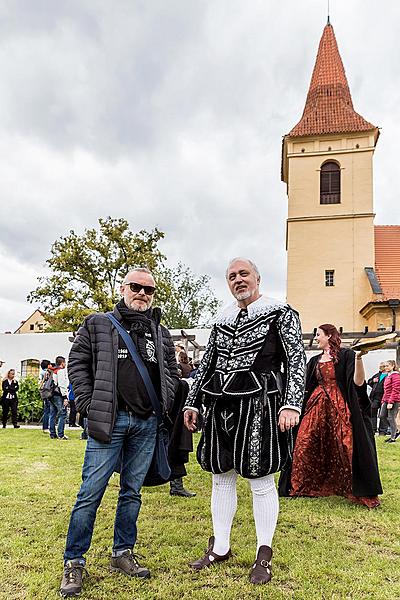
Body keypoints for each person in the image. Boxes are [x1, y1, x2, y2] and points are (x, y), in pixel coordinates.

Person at [184, 258, 306, 585]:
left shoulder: (280, 312)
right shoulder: (221, 320)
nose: (238, 280)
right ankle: (220, 546)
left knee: (260, 478)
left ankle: (263, 553)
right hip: (220, 404)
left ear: (257, 278)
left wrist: (291, 403)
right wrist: (192, 401)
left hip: (261, 403)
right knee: (220, 476)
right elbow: (206, 363)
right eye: (232, 276)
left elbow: (296, 360)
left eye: (243, 274)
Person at [60, 268, 179, 597]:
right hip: (109, 423)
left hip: (146, 423)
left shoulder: (159, 331)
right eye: (136, 287)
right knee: (90, 494)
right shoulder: (97, 323)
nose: (142, 293)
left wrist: (165, 405)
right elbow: (78, 363)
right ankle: (74, 562)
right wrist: (86, 402)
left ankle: (122, 553)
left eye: (149, 290)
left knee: (132, 494)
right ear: (123, 288)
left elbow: (169, 370)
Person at [279, 324, 383, 508]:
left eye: (318, 334)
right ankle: (302, 485)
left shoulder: (347, 355)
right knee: (304, 441)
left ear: (329, 335)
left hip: (339, 405)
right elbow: (303, 384)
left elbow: (358, 383)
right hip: (315, 406)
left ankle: (354, 489)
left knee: (346, 444)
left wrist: (359, 358)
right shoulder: (314, 361)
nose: (316, 338)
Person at [49, 356, 69, 440]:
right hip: (58, 395)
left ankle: (52, 433)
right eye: (65, 362)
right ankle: (61, 434)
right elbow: (62, 385)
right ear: (62, 363)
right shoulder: (60, 371)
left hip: (52, 394)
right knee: (63, 413)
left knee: (53, 414)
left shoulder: (53, 371)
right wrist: (65, 397)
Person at [380, 360, 400, 443]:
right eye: (385, 366)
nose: (386, 367)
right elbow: (386, 390)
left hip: (394, 400)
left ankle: (393, 438)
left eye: (388, 365)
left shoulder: (395, 375)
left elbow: (396, 389)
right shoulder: (388, 375)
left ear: (393, 366)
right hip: (386, 399)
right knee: (382, 416)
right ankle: (396, 431)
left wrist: (391, 402)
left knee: (391, 418)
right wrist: (383, 401)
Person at [367, 363, 388, 435]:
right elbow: (369, 382)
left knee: (383, 415)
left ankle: (382, 431)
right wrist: (373, 380)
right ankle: (372, 430)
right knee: (373, 413)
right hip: (374, 397)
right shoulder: (377, 375)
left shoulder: (389, 375)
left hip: (384, 397)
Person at [39, 359, 52, 433]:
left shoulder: (41, 372)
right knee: (48, 410)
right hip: (47, 392)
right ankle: (46, 427)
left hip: (44, 392)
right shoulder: (46, 372)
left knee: (46, 410)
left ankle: (45, 427)